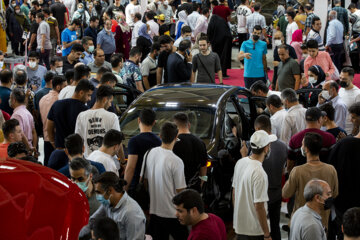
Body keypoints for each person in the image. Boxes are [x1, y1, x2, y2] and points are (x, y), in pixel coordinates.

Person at [140, 122, 188, 239]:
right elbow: (181, 191)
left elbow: (143, 180)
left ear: (160, 136)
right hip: (173, 213)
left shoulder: (149, 153)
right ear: (176, 137)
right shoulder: (176, 161)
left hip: (154, 212)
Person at [283, 132, 338, 228]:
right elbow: (335, 193)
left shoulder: (297, 171)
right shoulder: (331, 170)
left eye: (302, 144)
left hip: (300, 221)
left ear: (306, 149)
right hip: (322, 222)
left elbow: (285, 193)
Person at [232, 130, 275, 239]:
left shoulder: (240, 162)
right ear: (266, 148)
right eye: (269, 145)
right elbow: (259, 206)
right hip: (255, 232)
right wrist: (267, 234)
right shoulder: (259, 173)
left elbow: (234, 193)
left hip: (240, 227)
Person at [80, 172, 146, 240]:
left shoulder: (131, 213)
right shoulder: (108, 203)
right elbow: (92, 221)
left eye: (98, 192)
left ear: (109, 191)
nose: (97, 196)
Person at [328, 102, 360, 233]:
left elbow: (331, 171)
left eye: (353, 117)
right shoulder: (345, 142)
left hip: (345, 204)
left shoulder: (344, 144)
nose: (351, 120)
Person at [254, 115, 287, 240]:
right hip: (276, 192)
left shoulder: (255, 148)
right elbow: (284, 169)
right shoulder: (283, 146)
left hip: (259, 194)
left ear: (257, 129)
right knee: (275, 224)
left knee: (259, 226)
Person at [47, 79, 94, 149]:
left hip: (59, 147)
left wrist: (53, 142)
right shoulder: (85, 110)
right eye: (89, 95)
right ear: (81, 93)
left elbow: (49, 126)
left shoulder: (57, 104)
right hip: (76, 151)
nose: (90, 99)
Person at [75, 85, 120, 157]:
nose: (110, 105)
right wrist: (123, 162)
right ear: (105, 99)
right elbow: (118, 142)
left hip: (89, 161)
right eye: (110, 101)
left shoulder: (81, 116)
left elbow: (78, 141)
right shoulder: (112, 117)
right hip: (108, 162)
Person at [124, 108, 161, 194]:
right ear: (154, 122)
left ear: (139, 120)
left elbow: (130, 168)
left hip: (137, 186)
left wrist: (125, 189)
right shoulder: (159, 141)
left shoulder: (134, 141)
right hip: (154, 186)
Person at [172, 112, 207, 192]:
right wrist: (202, 184)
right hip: (193, 188)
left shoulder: (172, 143)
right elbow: (203, 169)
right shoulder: (200, 143)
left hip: (175, 187)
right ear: (189, 125)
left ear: (174, 127)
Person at [39, 75, 66, 166]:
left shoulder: (42, 99)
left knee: (47, 165)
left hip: (46, 137)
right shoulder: (59, 100)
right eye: (65, 86)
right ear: (58, 87)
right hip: (56, 139)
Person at [208, 13, 232, 78]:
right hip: (226, 39)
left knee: (216, 56)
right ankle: (223, 72)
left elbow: (209, 32)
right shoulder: (222, 20)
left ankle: (216, 71)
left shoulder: (212, 22)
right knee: (224, 56)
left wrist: (209, 41)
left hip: (217, 41)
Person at [338, 67, 360, 134]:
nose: (341, 80)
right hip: (340, 129)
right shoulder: (341, 90)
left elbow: (358, 116)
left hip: (350, 130)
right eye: (340, 78)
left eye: (344, 79)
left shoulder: (358, 94)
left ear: (351, 79)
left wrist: (354, 133)